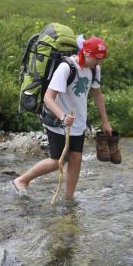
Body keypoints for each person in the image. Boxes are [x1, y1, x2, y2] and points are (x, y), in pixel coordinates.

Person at [12, 36, 112, 200]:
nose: (98, 63)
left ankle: (68, 198)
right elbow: (48, 98)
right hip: (58, 121)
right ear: (85, 53)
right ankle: (21, 180)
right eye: (96, 58)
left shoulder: (94, 70)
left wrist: (105, 121)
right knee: (56, 161)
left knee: (76, 158)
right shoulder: (66, 68)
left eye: (101, 60)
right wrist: (62, 116)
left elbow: (97, 95)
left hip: (78, 123)